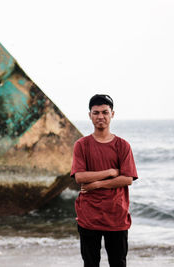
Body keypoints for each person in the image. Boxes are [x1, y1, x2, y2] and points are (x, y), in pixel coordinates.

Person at [70, 94, 138, 267]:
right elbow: (79, 177)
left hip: (116, 216)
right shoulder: (82, 145)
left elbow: (128, 178)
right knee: (90, 263)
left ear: (112, 114)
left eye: (105, 112)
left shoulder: (123, 145)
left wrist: (98, 184)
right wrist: (110, 172)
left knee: (118, 263)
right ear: (90, 115)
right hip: (88, 216)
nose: (100, 116)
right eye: (96, 112)